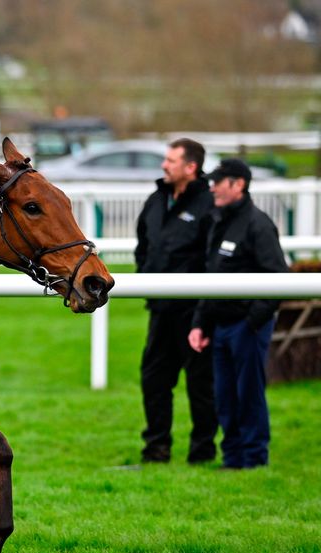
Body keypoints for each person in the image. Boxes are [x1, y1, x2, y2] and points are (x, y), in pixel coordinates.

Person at [188, 159, 288, 470]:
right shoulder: (219, 220)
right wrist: (200, 323)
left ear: (239, 185)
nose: (213, 187)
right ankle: (232, 458)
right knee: (225, 396)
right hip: (220, 326)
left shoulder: (258, 224)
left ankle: (254, 459)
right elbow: (212, 275)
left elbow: (278, 277)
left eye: (220, 181)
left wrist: (252, 321)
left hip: (248, 326)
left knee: (249, 395)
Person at [134, 138, 219, 464]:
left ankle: (202, 451)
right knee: (153, 379)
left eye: (170, 160)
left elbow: (212, 259)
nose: (163, 165)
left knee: (200, 384)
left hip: (195, 312)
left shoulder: (209, 204)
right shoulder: (157, 199)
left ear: (190, 167)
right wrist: (146, 274)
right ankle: (156, 448)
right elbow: (144, 245)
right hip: (160, 309)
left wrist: (203, 312)